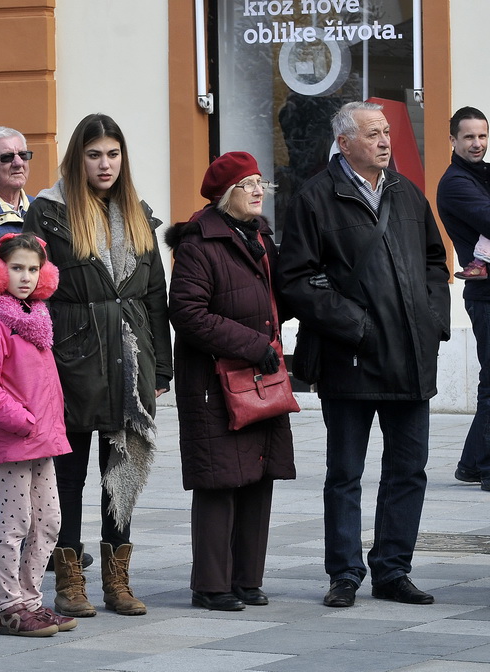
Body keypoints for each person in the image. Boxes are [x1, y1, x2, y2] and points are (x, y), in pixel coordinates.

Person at [277, 101, 450, 608]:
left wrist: (432, 317)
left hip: (411, 357)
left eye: (386, 133)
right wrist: (358, 327)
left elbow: (436, 261)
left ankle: (393, 570)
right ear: (345, 142)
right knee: (345, 472)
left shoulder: (406, 192)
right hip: (349, 359)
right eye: (372, 133)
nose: (384, 141)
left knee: (408, 470)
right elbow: (296, 280)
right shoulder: (315, 198)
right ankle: (345, 573)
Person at [23, 113, 172, 618]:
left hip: (132, 361)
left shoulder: (139, 213)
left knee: (122, 470)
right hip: (71, 356)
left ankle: (117, 580)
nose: (105, 164)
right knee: (68, 473)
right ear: (77, 159)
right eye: (94, 154)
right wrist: (36, 363)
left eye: (112, 154)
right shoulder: (49, 213)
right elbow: (30, 291)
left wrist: (161, 369)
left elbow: (156, 297)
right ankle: (69, 580)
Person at [166, 152, 296, 612]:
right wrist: (253, 344)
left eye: (262, 182)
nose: (259, 190)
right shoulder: (200, 243)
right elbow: (187, 313)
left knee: (259, 475)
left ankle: (246, 579)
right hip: (214, 384)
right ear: (227, 195)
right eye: (249, 184)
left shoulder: (260, 237)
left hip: (259, 378)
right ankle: (211, 584)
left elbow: (277, 295)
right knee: (220, 480)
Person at [0, 232, 76, 636]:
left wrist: (46, 423)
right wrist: (22, 420)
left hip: (41, 439)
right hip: (15, 440)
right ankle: (9, 606)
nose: (25, 277)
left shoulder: (36, 320)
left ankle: (31, 601)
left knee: (49, 522)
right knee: (16, 523)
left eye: (33, 269)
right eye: (16, 268)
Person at [438, 107, 490, 489]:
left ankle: (473, 463)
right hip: (486, 295)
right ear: (453, 140)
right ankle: (486, 469)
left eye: (483, 136)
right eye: (469, 137)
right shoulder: (456, 182)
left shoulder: (482, 174)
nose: (477, 144)